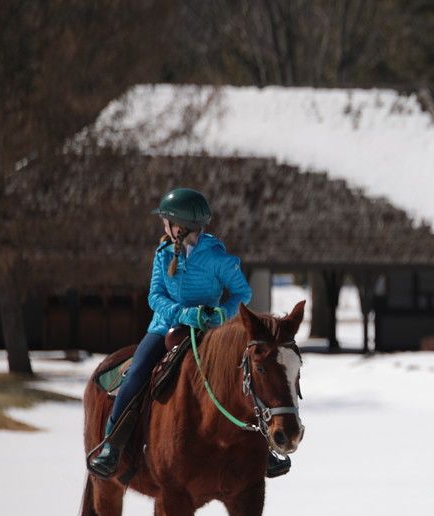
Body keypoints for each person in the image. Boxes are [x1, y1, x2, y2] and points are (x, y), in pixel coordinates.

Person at [86, 188, 286, 479]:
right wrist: (182, 313)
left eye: (166, 221)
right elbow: (155, 297)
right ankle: (112, 445)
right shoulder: (163, 254)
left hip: (210, 331)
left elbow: (242, 292)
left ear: (179, 226)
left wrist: (221, 313)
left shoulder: (218, 258)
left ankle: (264, 450)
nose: (163, 226)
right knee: (137, 372)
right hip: (164, 327)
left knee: (241, 381)